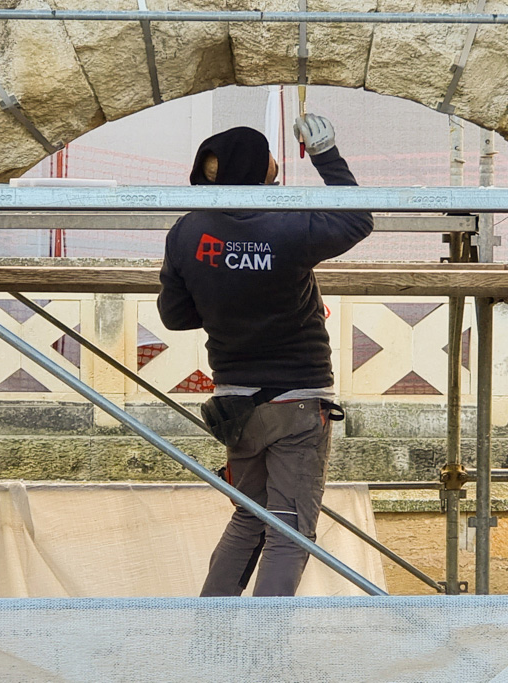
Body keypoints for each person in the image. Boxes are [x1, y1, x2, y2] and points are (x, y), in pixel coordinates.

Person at [157, 113, 373, 597]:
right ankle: (262, 653)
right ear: (256, 166)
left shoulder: (187, 232)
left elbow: (174, 315)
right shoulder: (287, 226)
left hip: (237, 405)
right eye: (270, 156)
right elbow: (359, 218)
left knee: (248, 519)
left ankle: (213, 640)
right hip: (297, 400)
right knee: (289, 530)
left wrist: (227, 301)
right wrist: (325, 155)